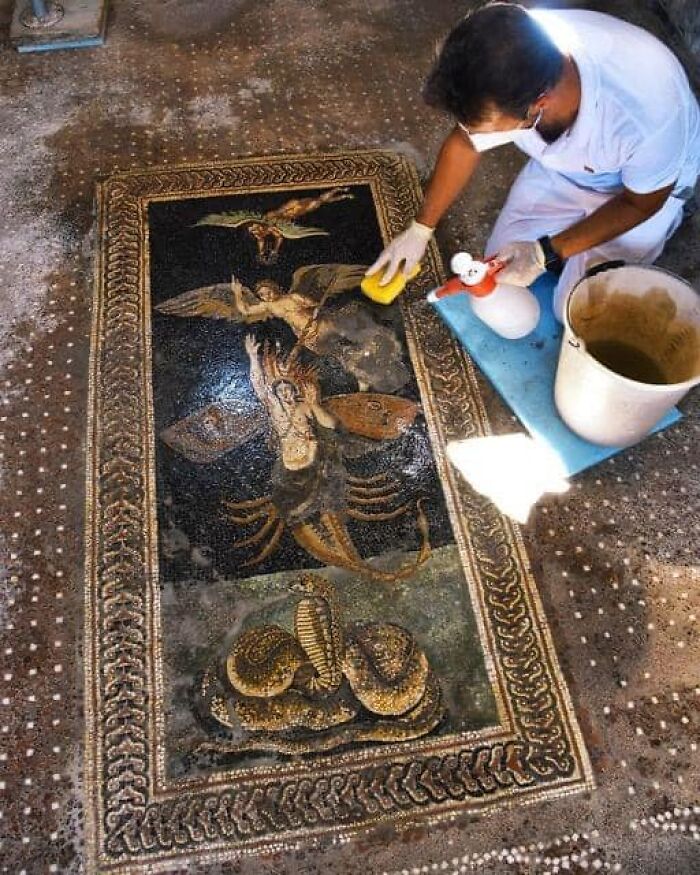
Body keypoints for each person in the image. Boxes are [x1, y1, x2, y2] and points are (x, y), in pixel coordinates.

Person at [367, 2, 700, 320]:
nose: (476, 133)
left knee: (576, 310)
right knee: (496, 278)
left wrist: (547, 252)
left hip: (640, 194)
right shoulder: (506, 43)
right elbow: (466, 142)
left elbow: (641, 203)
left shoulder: (647, 113)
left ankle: (642, 241)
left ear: (540, 104)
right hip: (564, 171)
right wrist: (421, 229)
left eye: (490, 127)